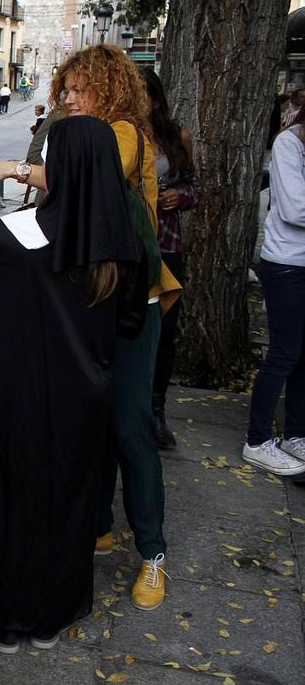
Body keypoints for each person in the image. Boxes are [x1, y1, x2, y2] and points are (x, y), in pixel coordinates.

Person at [0, 44, 182, 612]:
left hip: (129, 304)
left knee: (130, 428)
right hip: (95, 305)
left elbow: (79, 175)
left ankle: (154, 552)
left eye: (75, 87)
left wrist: (8, 168)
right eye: (63, 88)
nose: (65, 97)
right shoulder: (85, 132)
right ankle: (96, 526)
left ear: (107, 87)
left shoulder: (118, 135)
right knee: (92, 420)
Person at [0, 116, 146, 655]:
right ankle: (52, 614)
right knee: (67, 502)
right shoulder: (121, 243)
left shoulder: (19, 236)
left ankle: (7, 616)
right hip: (86, 398)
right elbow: (130, 325)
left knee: (16, 501)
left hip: (23, 394)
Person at [243, 109, 305, 476]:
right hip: (286, 264)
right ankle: (257, 439)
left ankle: (296, 434)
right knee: (284, 351)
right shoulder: (287, 144)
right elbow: (296, 210)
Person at [142, 69, 198, 450]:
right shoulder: (116, 134)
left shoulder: (176, 137)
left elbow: (193, 185)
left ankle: (156, 410)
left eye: (143, 94)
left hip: (167, 243)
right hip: (131, 245)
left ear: (156, 99)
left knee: (164, 331)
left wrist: (180, 197)